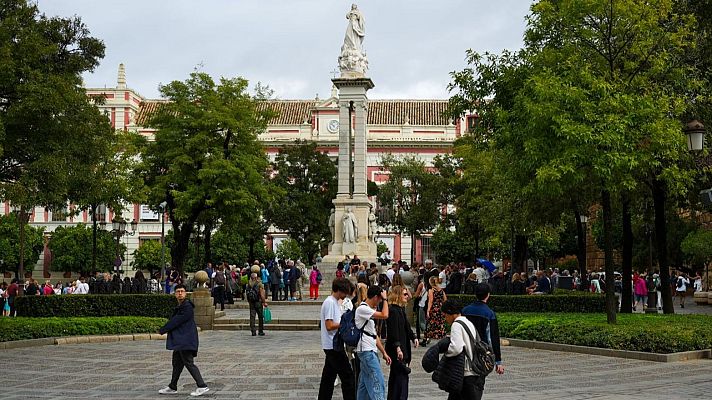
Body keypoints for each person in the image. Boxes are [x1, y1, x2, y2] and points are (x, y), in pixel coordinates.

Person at [157, 284, 209, 397]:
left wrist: (163, 329)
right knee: (177, 363)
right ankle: (172, 386)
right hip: (181, 340)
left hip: (186, 340)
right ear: (175, 294)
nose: (180, 293)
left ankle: (202, 385)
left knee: (189, 363)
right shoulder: (181, 305)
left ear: (185, 293)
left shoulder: (187, 306)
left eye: (182, 291)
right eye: (178, 291)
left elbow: (177, 320)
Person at [462, 283, 505, 396]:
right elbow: (493, 338)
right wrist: (498, 361)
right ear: (488, 295)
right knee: (478, 385)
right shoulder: (489, 314)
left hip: (465, 352)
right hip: (481, 355)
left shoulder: (465, 310)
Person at [318, 278, 356, 400]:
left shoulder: (334, 302)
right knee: (348, 376)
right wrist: (344, 324)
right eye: (345, 293)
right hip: (333, 345)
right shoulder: (330, 303)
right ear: (340, 290)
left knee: (328, 378)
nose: (345, 296)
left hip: (332, 344)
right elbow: (329, 325)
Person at [441, 299, 485, 400]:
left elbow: (456, 348)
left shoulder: (456, 325)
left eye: (445, 315)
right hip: (475, 371)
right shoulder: (467, 322)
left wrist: (446, 353)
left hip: (466, 373)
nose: (445, 318)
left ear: (450, 313)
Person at [355, 285, 392, 400]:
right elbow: (385, 315)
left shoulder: (368, 311)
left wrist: (384, 353)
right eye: (380, 299)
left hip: (369, 350)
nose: (381, 302)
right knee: (378, 382)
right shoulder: (362, 309)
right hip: (366, 351)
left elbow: (373, 335)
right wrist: (386, 299)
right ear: (376, 297)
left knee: (364, 387)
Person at [386, 285, 418, 400]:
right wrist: (398, 347)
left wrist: (413, 337)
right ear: (398, 295)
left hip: (401, 347)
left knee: (396, 378)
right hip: (397, 349)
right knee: (401, 378)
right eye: (404, 294)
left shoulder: (400, 309)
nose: (407, 296)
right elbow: (393, 331)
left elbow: (407, 327)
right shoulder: (393, 311)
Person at [424, 276, 447, 346]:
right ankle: (441, 336)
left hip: (434, 309)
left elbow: (430, 301)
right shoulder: (441, 290)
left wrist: (428, 310)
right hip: (441, 308)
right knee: (440, 323)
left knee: (430, 324)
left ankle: (427, 338)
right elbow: (445, 299)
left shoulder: (431, 290)